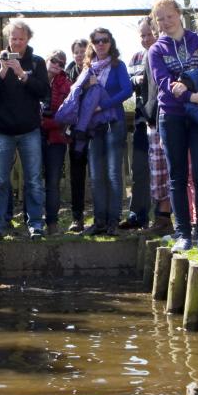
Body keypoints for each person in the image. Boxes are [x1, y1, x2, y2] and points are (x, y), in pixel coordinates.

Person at [148, 0, 198, 250]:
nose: (166, 22)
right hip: (172, 115)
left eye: (170, 16)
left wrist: (193, 93)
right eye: (160, 19)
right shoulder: (156, 50)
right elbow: (164, 83)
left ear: (179, 14)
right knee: (177, 176)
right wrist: (192, 95)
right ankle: (183, 232)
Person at [0, 19, 50, 239]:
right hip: (3, 131)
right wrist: (2, 72)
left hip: (29, 130)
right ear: (7, 39)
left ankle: (36, 225)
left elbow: (43, 91)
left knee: (33, 179)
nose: (17, 43)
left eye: (21, 39)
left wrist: (22, 74)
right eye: (13, 38)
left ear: (28, 39)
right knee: (1, 180)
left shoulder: (38, 62)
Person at [67, 28, 133, 236]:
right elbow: (78, 94)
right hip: (93, 125)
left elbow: (127, 90)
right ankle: (99, 221)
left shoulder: (117, 65)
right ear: (92, 45)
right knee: (96, 175)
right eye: (97, 41)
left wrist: (104, 104)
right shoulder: (88, 68)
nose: (101, 44)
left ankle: (113, 220)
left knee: (113, 173)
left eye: (104, 40)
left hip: (114, 122)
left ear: (110, 43)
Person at [120, 16, 158, 231]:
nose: (145, 39)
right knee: (139, 170)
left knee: (162, 171)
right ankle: (138, 215)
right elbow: (127, 83)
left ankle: (161, 215)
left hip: (161, 121)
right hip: (142, 120)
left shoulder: (163, 52)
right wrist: (137, 80)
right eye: (142, 35)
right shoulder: (135, 57)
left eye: (149, 34)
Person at [42, 50, 73, 234]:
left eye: (61, 63)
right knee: (33, 181)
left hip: (56, 137)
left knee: (52, 181)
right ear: (47, 59)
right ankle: (34, 222)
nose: (57, 65)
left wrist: (45, 122)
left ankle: (52, 222)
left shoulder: (66, 85)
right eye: (54, 60)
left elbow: (66, 115)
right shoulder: (35, 79)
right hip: (34, 134)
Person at [65, 37, 91, 229]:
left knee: (100, 175)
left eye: (83, 51)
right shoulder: (67, 74)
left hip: (96, 129)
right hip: (75, 132)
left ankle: (102, 217)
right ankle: (77, 217)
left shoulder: (96, 70)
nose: (80, 55)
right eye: (77, 52)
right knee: (77, 175)